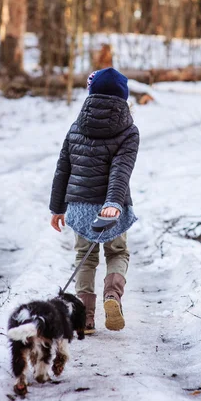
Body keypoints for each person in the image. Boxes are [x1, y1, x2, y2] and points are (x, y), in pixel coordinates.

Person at [49, 68, 139, 334]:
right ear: (123, 96)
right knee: (118, 252)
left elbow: (62, 168)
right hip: (111, 207)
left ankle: (84, 318)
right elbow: (121, 170)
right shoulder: (128, 131)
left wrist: (57, 208)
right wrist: (112, 203)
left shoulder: (77, 126)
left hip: (78, 205)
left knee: (84, 258)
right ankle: (112, 296)